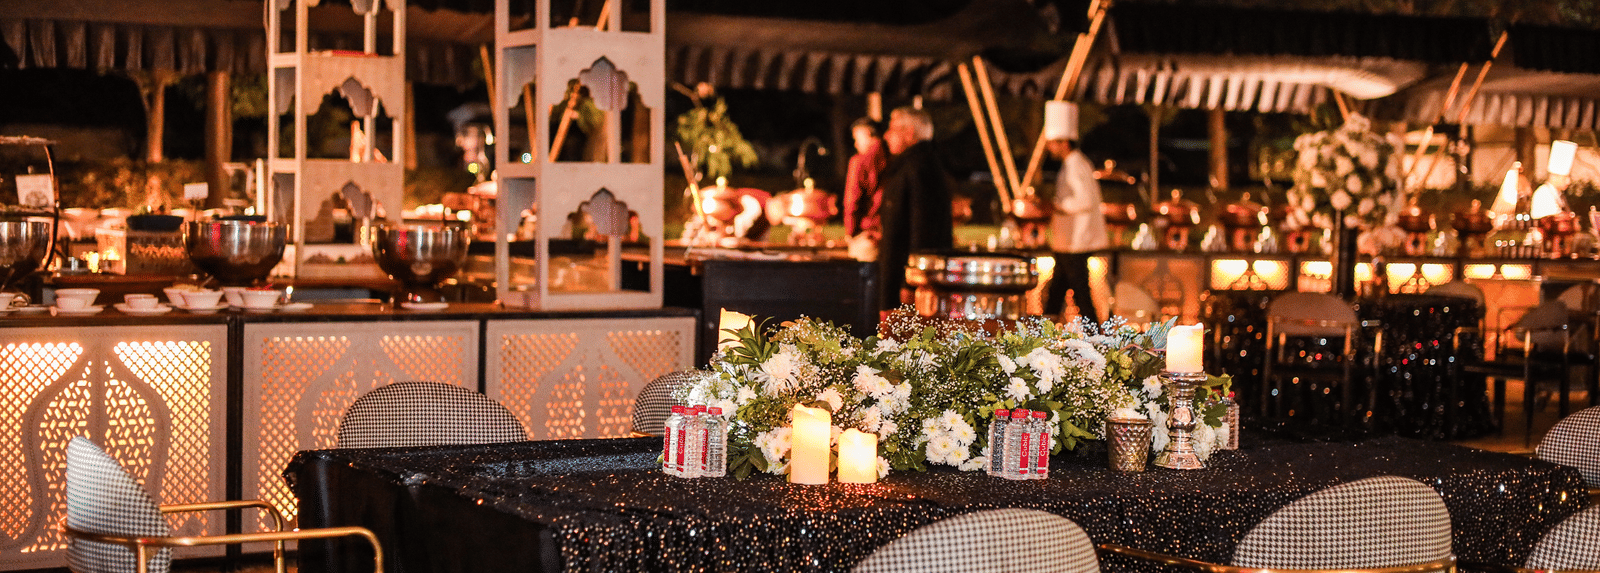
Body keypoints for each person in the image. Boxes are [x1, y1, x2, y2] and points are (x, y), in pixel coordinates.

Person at [876, 106, 955, 311]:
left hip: (908, 279)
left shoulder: (919, 168)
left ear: (909, 133)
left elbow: (924, 227)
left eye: (892, 129)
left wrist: (910, 281)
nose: (886, 136)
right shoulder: (916, 165)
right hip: (903, 272)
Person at [1042, 100, 1109, 323]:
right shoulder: (1072, 164)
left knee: (1079, 294)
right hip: (1067, 243)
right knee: (1057, 293)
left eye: (1052, 142)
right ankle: (1044, 333)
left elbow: (1084, 200)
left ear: (1063, 142)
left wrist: (1056, 206)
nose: (1049, 147)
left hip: (1075, 244)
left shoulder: (1076, 165)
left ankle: (1094, 337)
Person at [843, 118, 887, 239]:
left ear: (866, 133)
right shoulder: (894, 158)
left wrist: (850, 232)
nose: (856, 144)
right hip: (891, 233)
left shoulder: (859, 161)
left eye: (857, 139)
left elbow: (852, 200)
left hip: (868, 234)